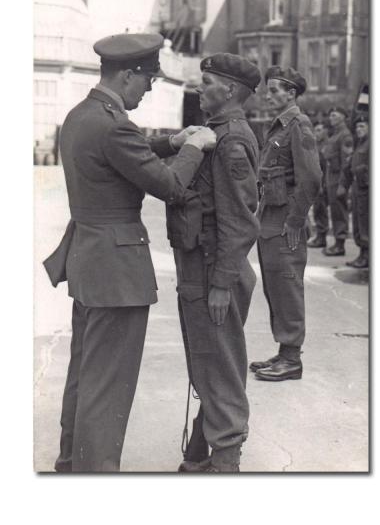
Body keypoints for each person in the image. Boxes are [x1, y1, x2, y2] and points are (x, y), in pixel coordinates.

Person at [43, 33, 216, 473]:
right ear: (127, 76)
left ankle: (73, 464)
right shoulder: (115, 124)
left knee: (85, 378)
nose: (149, 89)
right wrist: (195, 147)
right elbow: (171, 187)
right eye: (148, 82)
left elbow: (124, 155)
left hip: (89, 261)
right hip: (117, 271)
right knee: (110, 386)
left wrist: (170, 144)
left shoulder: (82, 115)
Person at [168, 53, 261, 473]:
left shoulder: (231, 140)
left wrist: (222, 282)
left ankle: (226, 462)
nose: (199, 88)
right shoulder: (213, 133)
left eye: (207, 82)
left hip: (213, 270)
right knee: (210, 361)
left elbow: (241, 219)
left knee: (218, 365)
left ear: (231, 90)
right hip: (201, 267)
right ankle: (203, 450)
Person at [249, 66, 321, 382]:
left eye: (276, 90)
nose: (269, 94)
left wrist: (295, 220)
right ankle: (284, 352)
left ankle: (292, 358)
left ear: (291, 93)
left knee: (287, 286)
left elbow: (311, 178)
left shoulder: (298, 125)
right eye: (269, 89)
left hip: (285, 222)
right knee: (276, 286)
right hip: (270, 218)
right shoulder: (279, 127)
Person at [322, 107, 354, 256]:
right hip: (331, 178)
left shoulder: (345, 136)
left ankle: (340, 244)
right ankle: (337, 242)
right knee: (334, 211)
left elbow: (346, 163)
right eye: (330, 115)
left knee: (339, 211)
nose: (331, 118)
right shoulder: (335, 134)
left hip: (338, 179)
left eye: (334, 115)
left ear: (343, 116)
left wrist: (343, 184)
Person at [340, 114, 369, 268]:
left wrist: (361, 171)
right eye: (357, 126)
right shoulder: (360, 144)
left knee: (365, 222)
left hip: (367, 188)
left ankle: (367, 255)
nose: (359, 129)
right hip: (358, 188)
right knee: (358, 220)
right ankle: (362, 253)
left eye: (362, 126)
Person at [307, 122, 329, 248]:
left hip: (324, 182)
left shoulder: (327, 145)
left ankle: (322, 236)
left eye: (320, 130)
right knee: (317, 209)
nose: (317, 133)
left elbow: (325, 167)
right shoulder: (317, 145)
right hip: (317, 182)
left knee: (321, 209)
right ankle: (320, 236)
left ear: (325, 131)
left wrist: (322, 184)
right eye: (315, 130)